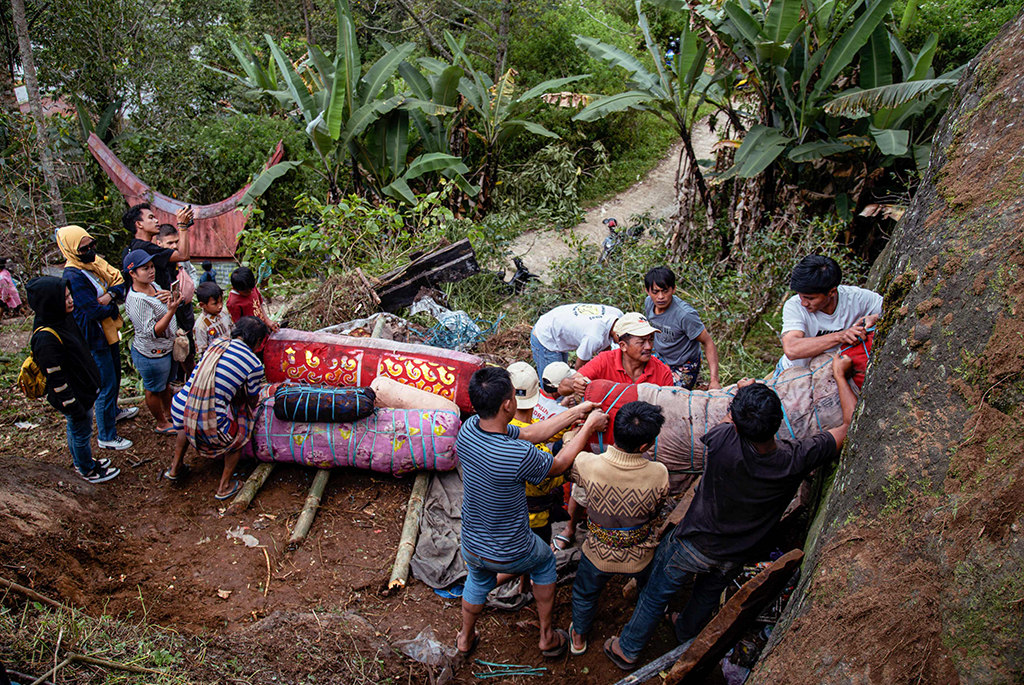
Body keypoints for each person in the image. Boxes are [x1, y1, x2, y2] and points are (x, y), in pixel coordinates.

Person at [603, 355, 858, 670]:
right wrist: (839, 375)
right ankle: (685, 630)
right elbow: (849, 424)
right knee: (708, 593)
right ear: (778, 421)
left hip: (694, 541)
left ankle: (627, 649)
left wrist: (742, 390)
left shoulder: (722, 441)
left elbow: (726, 419)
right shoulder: (796, 458)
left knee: (657, 591)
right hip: (738, 551)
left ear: (738, 422)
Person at [455, 366, 608, 660]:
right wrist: (588, 427)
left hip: (472, 542)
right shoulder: (517, 455)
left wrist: (578, 412)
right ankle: (547, 637)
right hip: (512, 548)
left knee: (477, 579)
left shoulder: (470, 429)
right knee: (545, 559)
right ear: (508, 405)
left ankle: (464, 637)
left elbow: (529, 432)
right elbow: (560, 463)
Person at [568, 401, 669, 656]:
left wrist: (577, 430)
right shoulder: (659, 474)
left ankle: (578, 638)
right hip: (639, 555)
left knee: (584, 592)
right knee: (649, 589)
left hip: (597, 554)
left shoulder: (587, 464)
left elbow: (570, 457)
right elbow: (656, 510)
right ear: (646, 445)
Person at [26, 276, 120, 483]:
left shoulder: (63, 319)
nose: (71, 301)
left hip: (83, 391)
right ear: (50, 302)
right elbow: (56, 378)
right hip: (74, 397)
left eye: (70, 295)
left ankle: (82, 461)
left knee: (78, 429)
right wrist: (72, 405)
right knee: (81, 431)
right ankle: (87, 470)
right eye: (65, 297)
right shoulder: (46, 338)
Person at [164, 316, 269, 500]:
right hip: (206, 423)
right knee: (241, 431)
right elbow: (252, 400)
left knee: (186, 419)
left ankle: (175, 468)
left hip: (179, 408)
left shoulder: (217, 344)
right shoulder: (254, 364)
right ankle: (224, 486)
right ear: (259, 342)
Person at [56, 226, 137, 452]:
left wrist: (110, 296)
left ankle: (113, 412)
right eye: (84, 248)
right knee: (106, 383)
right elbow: (94, 310)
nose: (91, 250)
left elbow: (119, 283)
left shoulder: (93, 265)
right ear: (72, 250)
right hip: (94, 336)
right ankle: (107, 435)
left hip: (107, 331)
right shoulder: (73, 275)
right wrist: (111, 304)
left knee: (115, 375)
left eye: (92, 245)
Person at [776, 254, 883, 373]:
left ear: (832, 292)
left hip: (831, 373)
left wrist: (875, 317)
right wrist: (840, 336)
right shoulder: (794, 306)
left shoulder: (858, 299)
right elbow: (792, 349)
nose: (804, 303)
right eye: (800, 296)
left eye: (810, 298)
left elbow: (894, 309)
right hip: (793, 373)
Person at [508, 362, 568, 548]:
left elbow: (545, 429)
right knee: (540, 560)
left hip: (504, 514)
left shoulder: (495, 428)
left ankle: (525, 578)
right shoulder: (537, 451)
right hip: (534, 519)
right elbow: (555, 474)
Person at [123, 249, 183, 433]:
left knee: (164, 384)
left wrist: (168, 296)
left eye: (151, 267)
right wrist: (171, 310)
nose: (151, 271)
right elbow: (152, 332)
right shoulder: (136, 301)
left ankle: (169, 413)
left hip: (164, 348)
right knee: (153, 388)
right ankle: (161, 423)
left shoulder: (152, 285)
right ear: (132, 273)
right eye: (145, 268)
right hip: (152, 352)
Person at [558, 313, 673, 397]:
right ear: (623, 346)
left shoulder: (662, 372)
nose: (648, 347)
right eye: (641, 342)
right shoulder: (605, 361)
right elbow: (563, 387)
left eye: (651, 340)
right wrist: (575, 384)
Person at [643, 267, 721, 390]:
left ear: (673, 289)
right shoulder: (649, 303)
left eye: (665, 291)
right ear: (647, 291)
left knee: (669, 394)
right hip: (660, 356)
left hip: (684, 364)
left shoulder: (685, 315)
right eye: (655, 292)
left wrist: (714, 380)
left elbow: (708, 342)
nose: (661, 297)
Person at [155, 223, 198, 377]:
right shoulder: (157, 264)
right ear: (159, 243)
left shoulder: (181, 257)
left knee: (189, 345)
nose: (174, 246)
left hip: (185, 308)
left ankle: (189, 378)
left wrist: (190, 289)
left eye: (176, 242)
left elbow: (192, 273)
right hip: (170, 311)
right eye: (169, 243)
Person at [120, 203, 194, 290]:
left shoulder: (130, 248)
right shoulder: (145, 248)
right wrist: (182, 225)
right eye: (151, 218)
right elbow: (183, 255)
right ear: (139, 224)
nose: (156, 220)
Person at [531, 303, 622, 374]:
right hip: (546, 335)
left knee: (563, 373)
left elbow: (606, 353)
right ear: (617, 334)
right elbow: (580, 368)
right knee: (555, 384)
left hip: (558, 323)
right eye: (622, 342)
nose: (621, 345)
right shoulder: (594, 337)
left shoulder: (618, 315)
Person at [227, 266, 278, 331]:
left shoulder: (250, 287)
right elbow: (238, 325)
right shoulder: (233, 303)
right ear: (235, 289)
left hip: (262, 328)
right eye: (246, 292)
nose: (251, 292)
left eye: (252, 289)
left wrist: (267, 320)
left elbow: (260, 304)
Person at [194, 281, 232, 359]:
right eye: (215, 303)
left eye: (221, 301)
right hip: (215, 359)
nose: (220, 306)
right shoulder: (201, 325)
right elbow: (202, 350)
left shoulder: (224, 312)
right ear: (202, 305)